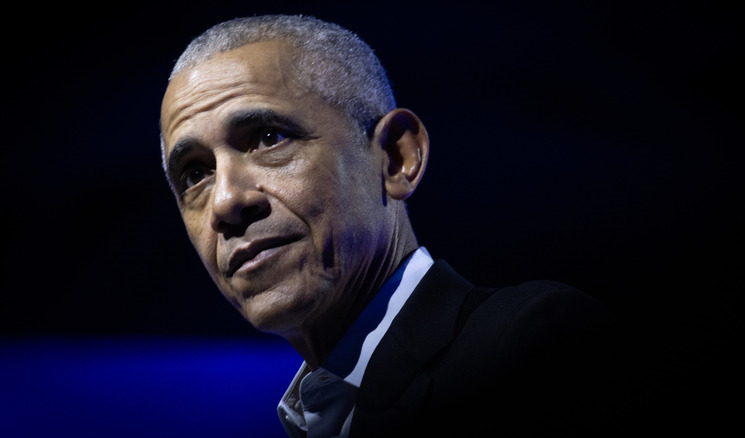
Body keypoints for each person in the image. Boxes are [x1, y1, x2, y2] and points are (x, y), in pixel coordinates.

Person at [159, 14, 622, 437]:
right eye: (195, 174)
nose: (226, 201)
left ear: (396, 159)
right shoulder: (314, 416)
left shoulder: (529, 346)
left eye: (268, 138)